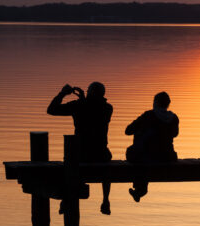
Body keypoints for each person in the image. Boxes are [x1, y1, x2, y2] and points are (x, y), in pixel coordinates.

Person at [47, 82, 113, 215]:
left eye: (89, 91)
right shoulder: (107, 108)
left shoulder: (78, 106)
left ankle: (66, 199)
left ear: (90, 93)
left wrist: (63, 94)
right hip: (101, 154)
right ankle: (106, 199)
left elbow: (52, 110)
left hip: (81, 154)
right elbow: (92, 110)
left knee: (69, 167)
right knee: (107, 167)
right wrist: (83, 99)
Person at [125, 91, 179, 202]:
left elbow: (128, 130)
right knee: (145, 152)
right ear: (168, 104)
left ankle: (141, 188)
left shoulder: (148, 115)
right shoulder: (173, 118)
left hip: (148, 156)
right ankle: (140, 189)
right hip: (167, 156)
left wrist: (142, 130)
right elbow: (175, 134)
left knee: (134, 152)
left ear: (155, 103)